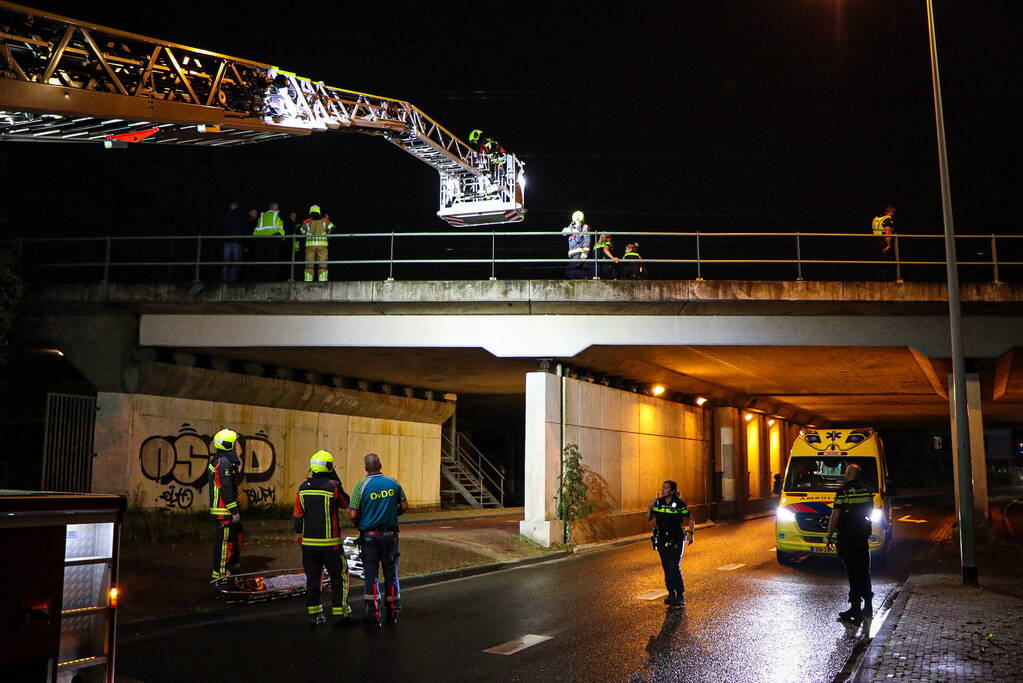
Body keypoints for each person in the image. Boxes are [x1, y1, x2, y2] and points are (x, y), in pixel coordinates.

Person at [293, 450, 358, 627]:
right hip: (331, 545)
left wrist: (301, 538)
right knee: (339, 576)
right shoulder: (332, 486)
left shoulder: (302, 488)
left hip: (308, 545)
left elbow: (298, 516)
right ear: (329, 467)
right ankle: (340, 613)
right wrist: (337, 481)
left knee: (313, 578)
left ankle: (315, 614)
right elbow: (346, 503)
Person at [349, 453, 408, 626]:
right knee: (391, 574)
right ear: (380, 465)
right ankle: (393, 612)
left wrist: (358, 522)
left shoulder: (361, 486)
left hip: (369, 536)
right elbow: (404, 506)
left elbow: (353, 514)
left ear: (366, 467)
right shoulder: (393, 483)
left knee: (371, 575)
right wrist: (392, 514)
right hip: (390, 535)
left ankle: (373, 615)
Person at [825, 463, 874, 624]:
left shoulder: (843, 491)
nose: (845, 475)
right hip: (862, 535)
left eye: (846, 472)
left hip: (847, 536)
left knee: (852, 572)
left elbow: (836, 513)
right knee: (864, 569)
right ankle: (868, 605)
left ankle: (855, 609)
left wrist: (829, 534)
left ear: (849, 474)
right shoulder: (866, 490)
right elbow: (870, 510)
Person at [648, 480, 695, 607]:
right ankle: (670, 593)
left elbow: (690, 519)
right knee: (666, 567)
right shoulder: (658, 503)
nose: (663, 490)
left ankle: (679, 595)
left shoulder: (679, 504)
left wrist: (691, 533)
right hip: (662, 538)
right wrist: (650, 506)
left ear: (672, 491)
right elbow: (650, 518)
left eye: (666, 488)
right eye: (663, 487)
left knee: (674, 566)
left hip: (676, 538)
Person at [208, 428, 244, 580]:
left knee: (236, 535)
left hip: (224, 508)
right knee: (224, 542)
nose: (237, 444)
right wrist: (234, 510)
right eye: (235, 442)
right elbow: (226, 488)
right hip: (224, 510)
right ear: (230, 444)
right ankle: (220, 574)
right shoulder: (223, 463)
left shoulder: (221, 460)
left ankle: (231, 563)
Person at [253, 202, 285, 280]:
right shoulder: (277, 214)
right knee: (273, 261)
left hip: (261, 240)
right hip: (274, 240)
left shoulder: (262, 215)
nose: (278, 209)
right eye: (277, 207)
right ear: (273, 208)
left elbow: (257, 229)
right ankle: (272, 279)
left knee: (263, 260)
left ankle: (263, 279)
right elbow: (284, 224)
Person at [218, 201, 248, 282]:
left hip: (227, 241)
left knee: (226, 262)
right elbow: (244, 229)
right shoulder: (241, 215)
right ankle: (232, 281)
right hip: (237, 241)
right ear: (238, 207)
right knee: (236, 262)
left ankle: (225, 281)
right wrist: (245, 245)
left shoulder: (226, 215)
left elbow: (222, 227)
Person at [301, 205, 332, 282]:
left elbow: (301, 230)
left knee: (309, 265)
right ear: (319, 212)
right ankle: (323, 281)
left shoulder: (307, 222)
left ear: (310, 212)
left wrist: (306, 234)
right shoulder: (324, 221)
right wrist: (328, 234)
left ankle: (308, 281)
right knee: (322, 264)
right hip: (322, 246)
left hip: (310, 246)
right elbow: (332, 228)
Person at [561, 210, 591, 279]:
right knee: (573, 269)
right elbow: (563, 233)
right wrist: (572, 230)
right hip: (572, 253)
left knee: (576, 269)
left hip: (579, 252)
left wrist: (585, 252)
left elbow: (587, 240)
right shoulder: (571, 227)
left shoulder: (584, 227)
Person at [871, 205, 895, 280]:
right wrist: (889, 245)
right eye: (893, 212)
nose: (893, 214)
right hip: (883, 241)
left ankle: (876, 279)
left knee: (877, 261)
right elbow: (888, 232)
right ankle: (886, 280)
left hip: (875, 241)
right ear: (889, 212)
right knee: (886, 261)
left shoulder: (875, 218)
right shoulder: (887, 219)